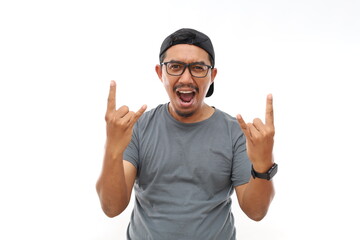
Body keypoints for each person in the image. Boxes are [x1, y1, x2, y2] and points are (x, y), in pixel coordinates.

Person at [96, 28, 277, 240]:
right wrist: (113, 148)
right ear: (160, 73)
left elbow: (256, 212)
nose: (186, 78)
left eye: (198, 68)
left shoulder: (235, 133)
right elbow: (111, 207)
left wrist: (263, 164)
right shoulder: (138, 128)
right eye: (175, 67)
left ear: (212, 75)